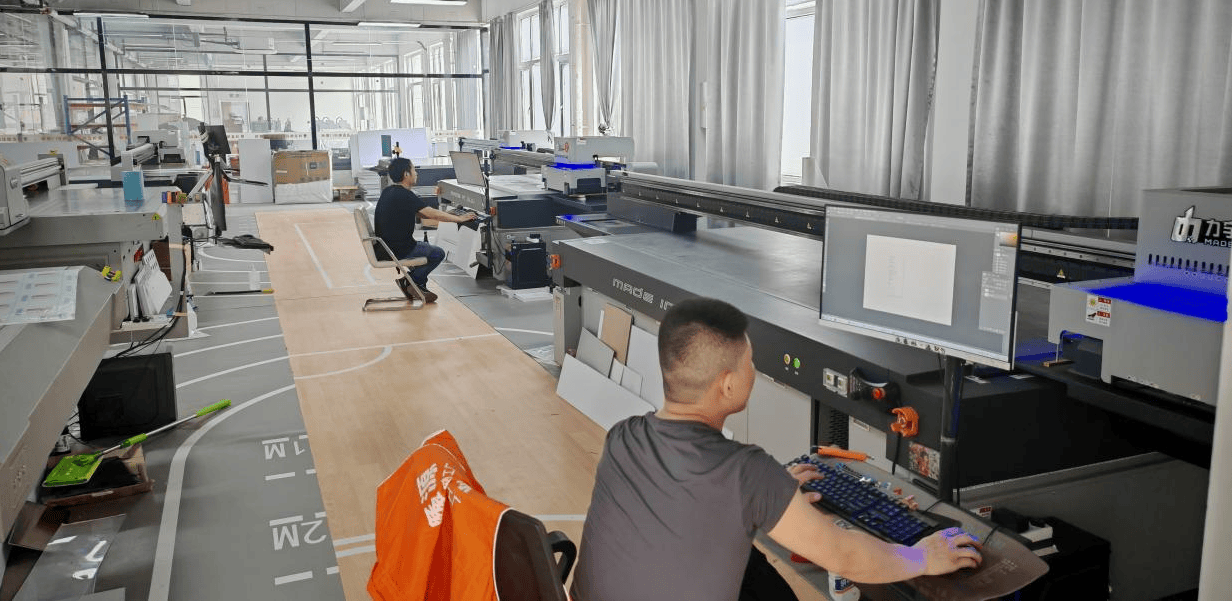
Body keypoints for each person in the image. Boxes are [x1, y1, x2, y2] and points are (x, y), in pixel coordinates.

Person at [570, 297, 982, 601]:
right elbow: (842, 556)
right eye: (749, 363)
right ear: (727, 385)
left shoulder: (622, 437)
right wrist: (921, 558)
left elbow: (688, 496)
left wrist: (773, 493)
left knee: (752, 570)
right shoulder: (746, 472)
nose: (754, 370)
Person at [374, 157, 476, 303]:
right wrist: (459, 219)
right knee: (437, 253)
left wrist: (449, 214)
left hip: (385, 247)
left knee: (427, 248)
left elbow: (421, 212)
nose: (416, 173)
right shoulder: (404, 195)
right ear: (406, 174)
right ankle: (411, 282)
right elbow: (430, 213)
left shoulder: (389, 191)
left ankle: (416, 285)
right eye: (413, 170)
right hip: (398, 249)